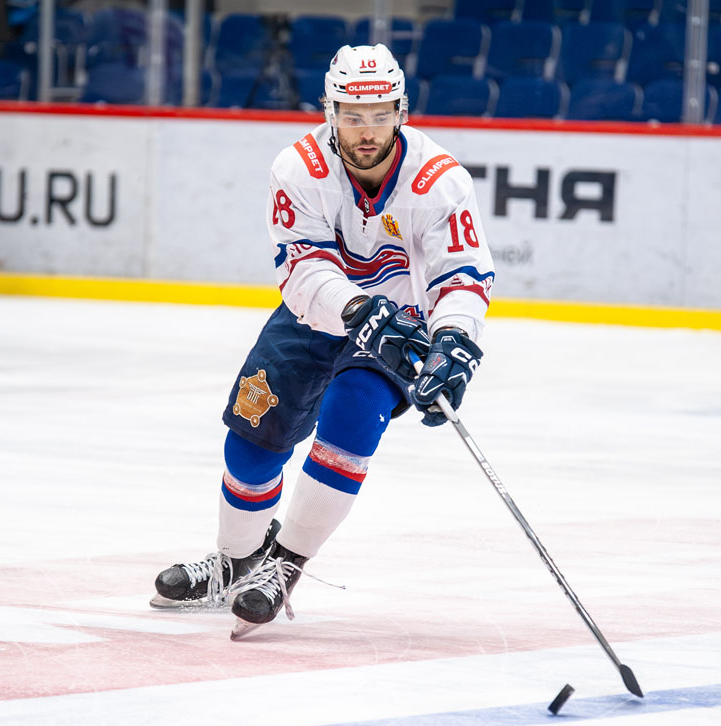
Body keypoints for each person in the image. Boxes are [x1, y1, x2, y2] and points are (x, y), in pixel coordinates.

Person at [150, 44, 495, 636]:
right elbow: (303, 269)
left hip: (399, 325)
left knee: (351, 413)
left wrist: (453, 342)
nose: (368, 131)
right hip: (314, 315)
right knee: (252, 440)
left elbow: (461, 276)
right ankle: (236, 561)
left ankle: (284, 564)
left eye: (381, 115)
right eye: (353, 116)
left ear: (401, 111)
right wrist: (357, 307)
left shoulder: (440, 180)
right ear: (330, 111)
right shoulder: (298, 168)